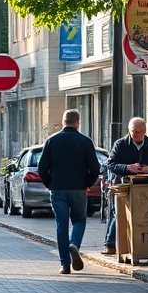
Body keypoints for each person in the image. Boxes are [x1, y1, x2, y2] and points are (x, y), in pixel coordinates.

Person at [37, 109, 101, 275]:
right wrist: (87, 183)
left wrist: (49, 184)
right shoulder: (85, 141)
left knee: (61, 225)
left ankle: (65, 264)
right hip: (79, 188)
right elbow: (95, 167)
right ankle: (75, 244)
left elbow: (42, 167)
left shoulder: (51, 141)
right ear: (78, 122)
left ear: (63, 122)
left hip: (57, 188)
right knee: (79, 220)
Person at [103, 117, 148, 255]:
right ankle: (110, 244)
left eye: (138, 132)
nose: (135, 134)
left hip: (144, 184)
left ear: (144, 132)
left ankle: (138, 243)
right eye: (132, 131)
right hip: (122, 183)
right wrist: (127, 168)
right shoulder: (120, 144)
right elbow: (111, 164)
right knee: (117, 213)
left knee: (142, 214)